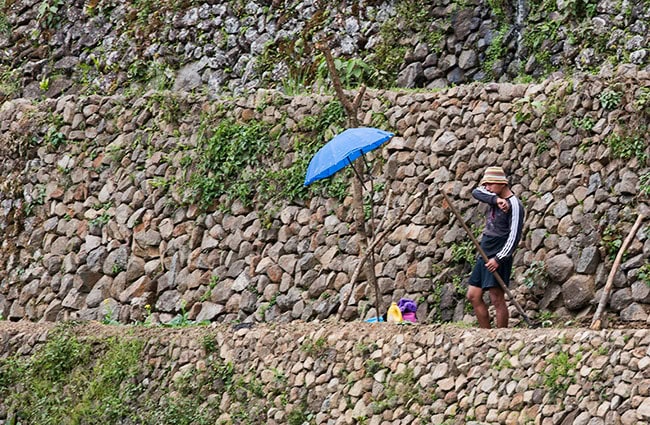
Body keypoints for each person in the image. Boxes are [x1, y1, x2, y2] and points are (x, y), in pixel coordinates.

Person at [467, 166, 524, 328]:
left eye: (490, 184)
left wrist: (499, 258)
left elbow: (514, 237)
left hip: (500, 251)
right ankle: (486, 333)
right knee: (473, 295)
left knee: (496, 297)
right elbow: (476, 191)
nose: (487, 188)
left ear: (501, 184)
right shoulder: (494, 197)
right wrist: (495, 200)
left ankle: (501, 335)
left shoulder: (515, 205)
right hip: (486, 246)